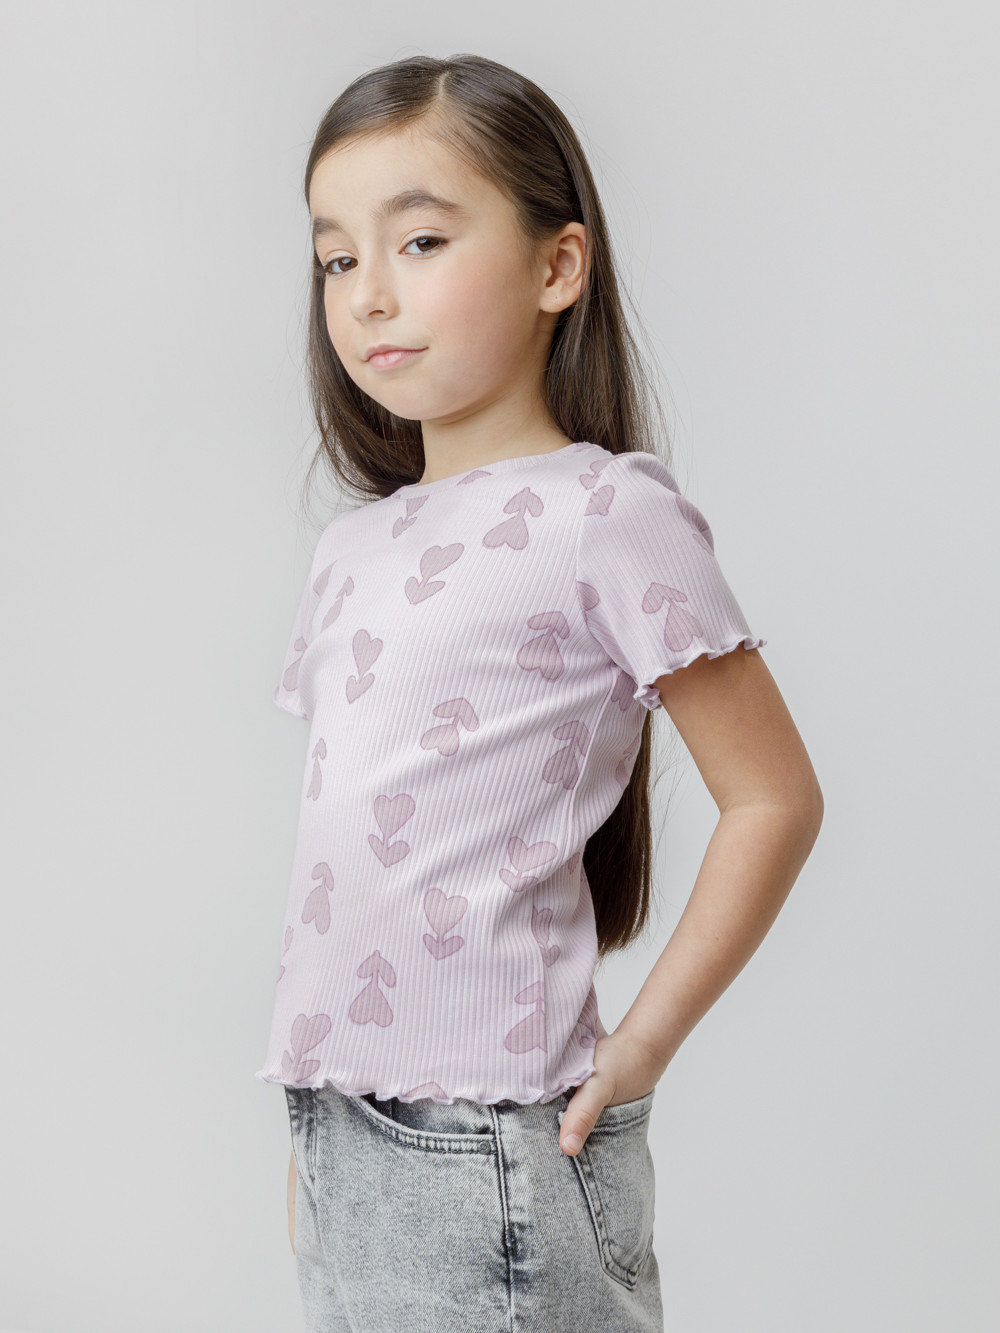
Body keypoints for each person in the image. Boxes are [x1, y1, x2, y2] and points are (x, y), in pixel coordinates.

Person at [255, 52, 823, 1333]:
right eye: (336, 257)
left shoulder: (604, 514)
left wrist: (641, 1048)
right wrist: (317, 1128)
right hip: (339, 1131)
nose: (368, 292)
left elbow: (774, 798)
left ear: (558, 266)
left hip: (491, 1139)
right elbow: (350, 851)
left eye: (420, 240)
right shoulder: (351, 549)